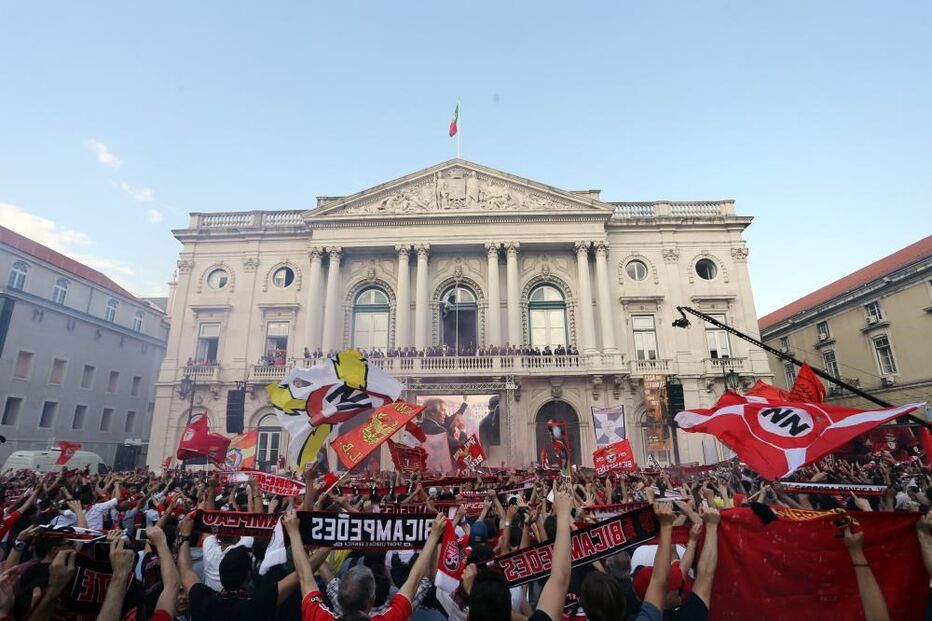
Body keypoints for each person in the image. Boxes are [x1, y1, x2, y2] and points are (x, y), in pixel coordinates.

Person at [287, 510, 446, 621]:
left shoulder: (318, 617)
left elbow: (304, 577)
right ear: (372, 601)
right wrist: (433, 537)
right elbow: (414, 580)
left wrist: (294, 533)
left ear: (338, 599)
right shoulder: (391, 618)